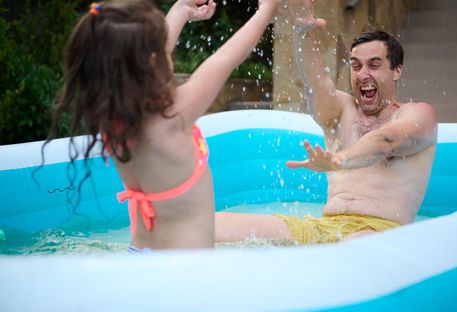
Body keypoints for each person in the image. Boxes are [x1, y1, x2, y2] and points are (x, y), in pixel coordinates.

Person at [47, 0, 282, 250]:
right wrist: (265, 12)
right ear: (151, 61)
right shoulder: (174, 116)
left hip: (139, 255)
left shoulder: (114, 121)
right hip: (185, 271)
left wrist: (180, 10)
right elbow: (224, 58)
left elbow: (140, 59)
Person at [215, 0, 438, 245]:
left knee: (348, 253)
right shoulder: (342, 109)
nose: (363, 74)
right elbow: (316, 81)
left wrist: (339, 159)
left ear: (396, 71)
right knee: (212, 226)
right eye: (356, 65)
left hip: (378, 230)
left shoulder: (419, 114)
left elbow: (387, 140)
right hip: (323, 226)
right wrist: (303, 33)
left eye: (374, 65)